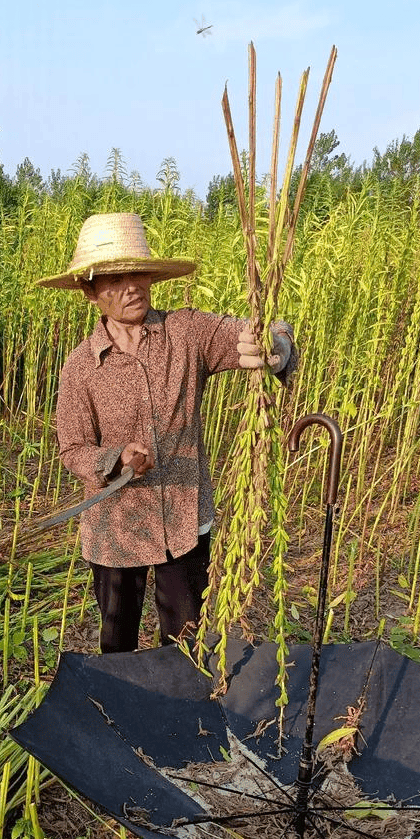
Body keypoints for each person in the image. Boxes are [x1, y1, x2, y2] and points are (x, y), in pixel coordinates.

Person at [37, 212, 296, 654]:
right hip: (116, 525)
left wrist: (275, 349)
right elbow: (72, 449)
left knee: (185, 638)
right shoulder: (82, 365)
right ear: (89, 292)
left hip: (183, 517)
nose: (131, 286)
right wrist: (115, 459)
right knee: (117, 643)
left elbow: (265, 331)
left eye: (138, 273)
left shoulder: (187, 332)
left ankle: (182, 715)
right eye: (114, 279)